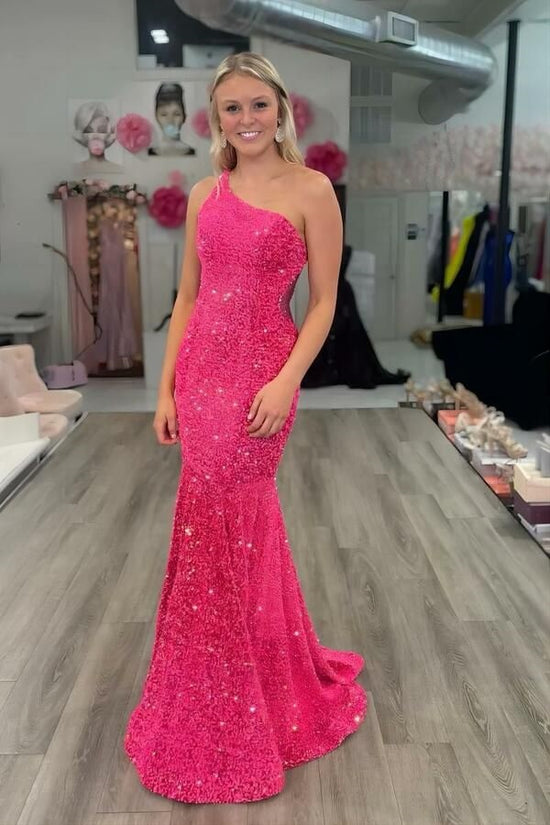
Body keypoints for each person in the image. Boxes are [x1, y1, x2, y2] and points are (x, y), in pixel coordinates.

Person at [124, 51, 367, 804]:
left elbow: (323, 302)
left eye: (259, 104)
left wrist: (286, 380)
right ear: (217, 118)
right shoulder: (207, 192)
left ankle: (254, 684)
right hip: (201, 376)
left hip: (263, 376)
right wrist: (166, 389)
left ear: (281, 108)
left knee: (241, 515)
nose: (247, 119)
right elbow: (188, 297)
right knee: (210, 522)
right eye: (232, 108)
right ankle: (217, 678)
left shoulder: (312, 189)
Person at [148, 82, 196, 156]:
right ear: (156, 117)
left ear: (184, 117)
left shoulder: (193, 153)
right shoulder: (149, 153)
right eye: (164, 114)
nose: (170, 121)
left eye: (176, 114)